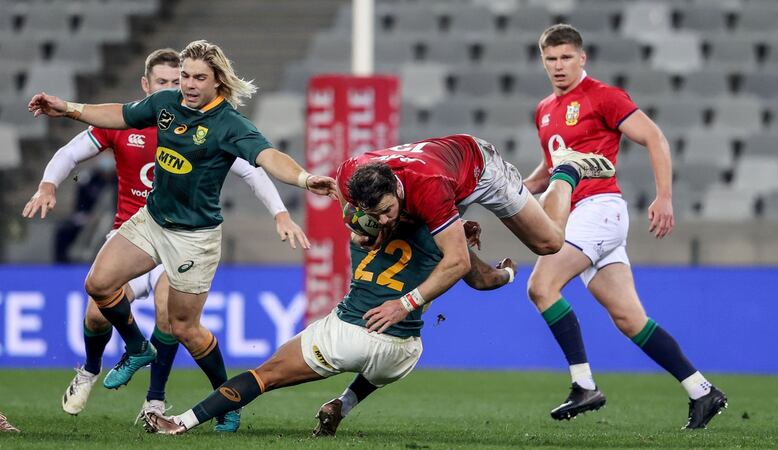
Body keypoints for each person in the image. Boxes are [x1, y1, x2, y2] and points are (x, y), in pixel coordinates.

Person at [27, 39, 336, 432]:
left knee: (184, 328)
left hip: (194, 238)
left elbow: (267, 158)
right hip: (151, 220)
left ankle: (228, 398)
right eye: (185, 76)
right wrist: (68, 109)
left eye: (198, 77)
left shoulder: (230, 125)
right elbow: (119, 114)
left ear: (218, 81)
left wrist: (306, 179)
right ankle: (138, 347)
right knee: (99, 284)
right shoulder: (166, 104)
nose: (188, 84)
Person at [523, 24, 727, 429]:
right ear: (542, 61)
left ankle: (583, 384)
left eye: (566, 57)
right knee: (630, 319)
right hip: (585, 217)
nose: (559, 66)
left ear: (582, 58)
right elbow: (551, 168)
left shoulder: (604, 97)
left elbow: (654, 138)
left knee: (541, 286)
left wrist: (664, 196)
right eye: (551, 59)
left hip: (598, 209)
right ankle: (702, 391)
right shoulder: (545, 109)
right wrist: (512, 192)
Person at [141, 220, 518, 435]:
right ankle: (342, 404)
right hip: (402, 352)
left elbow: (362, 229)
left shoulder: (367, 229)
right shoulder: (446, 240)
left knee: (263, 376)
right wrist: (509, 269)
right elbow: (487, 281)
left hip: (348, 334)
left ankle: (180, 422)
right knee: (378, 365)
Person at [334, 134, 614, 334]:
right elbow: (349, 208)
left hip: (478, 167)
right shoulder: (350, 177)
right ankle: (494, 272)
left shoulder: (429, 189)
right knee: (432, 251)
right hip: (442, 170)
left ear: (395, 189)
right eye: (374, 215)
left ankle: (566, 169)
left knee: (549, 242)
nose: (382, 220)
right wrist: (359, 229)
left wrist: (405, 304)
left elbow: (458, 262)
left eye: (387, 210)